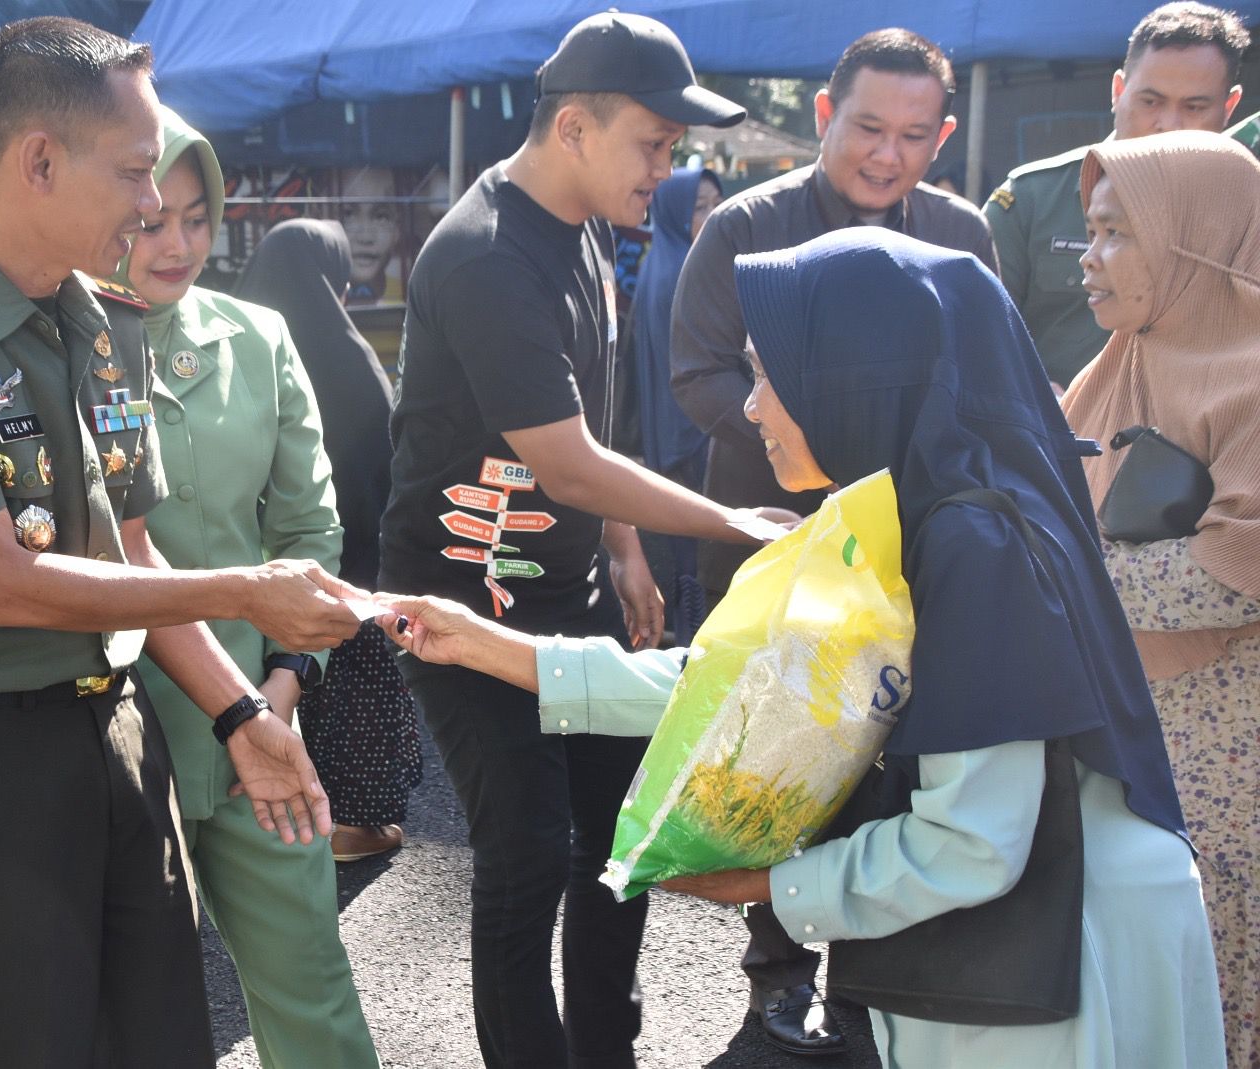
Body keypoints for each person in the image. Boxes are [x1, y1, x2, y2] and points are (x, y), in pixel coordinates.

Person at [382, 227, 1225, 1069]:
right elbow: (753, 682)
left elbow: (971, 842)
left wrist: (764, 885)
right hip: (1029, 954)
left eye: (766, 372)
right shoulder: (912, 506)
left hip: (1070, 964)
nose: (751, 407)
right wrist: (492, 648)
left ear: (854, 372)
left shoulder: (971, 542)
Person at [0, 109, 381, 1069]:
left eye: (192, 214)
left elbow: (187, 542)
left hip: (181, 719)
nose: (160, 225)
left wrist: (261, 701)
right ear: (46, 166)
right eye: (142, 192)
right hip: (38, 736)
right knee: (30, 1031)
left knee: (238, 1011)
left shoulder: (170, 331)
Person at [378, 12, 790, 1067]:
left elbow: (594, 414)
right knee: (523, 853)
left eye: (673, 147)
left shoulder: (595, 225)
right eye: (653, 144)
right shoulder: (484, 256)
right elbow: (564, 461)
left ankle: (607, 1049)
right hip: (461, 605)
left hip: (572, 593)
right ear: (573, 127)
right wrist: (731, 520)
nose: (668, 169)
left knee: (620, 841)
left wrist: (624, 546)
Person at [667, 28, 995, 1054]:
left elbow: (982, 380)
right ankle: (776, 974)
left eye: (913, 136)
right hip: (771, 539)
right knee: (776, 763)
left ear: (942, 137)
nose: (887, 156)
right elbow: (698, 373)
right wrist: (823, 444)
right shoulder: (745, 227)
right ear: (823, 115)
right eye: (866, 128)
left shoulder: (960, 233)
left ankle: (875, 975)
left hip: (911, 552)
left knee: (895, 769)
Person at [1063, 130, 1260, 1069]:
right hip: (1121, 727)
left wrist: (1070, 570)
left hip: (1226, 758)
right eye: (1089, 231)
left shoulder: (1253, 379)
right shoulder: (1115, 365)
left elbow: (1231, 571)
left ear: (1192, 244)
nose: (1089, 258)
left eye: (1117, 234)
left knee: (1214, 990)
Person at [235, 218, 422, 863]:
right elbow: (383, 464)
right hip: (347, 560)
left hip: (245, 567)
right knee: (347, 690)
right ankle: (345, 825)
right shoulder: (349, 357)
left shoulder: (236, 347)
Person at [984, 2, 1248, 391]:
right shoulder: (1031, 200)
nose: (1168, 125)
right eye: (1150, 102)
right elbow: (974, 334)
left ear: (1229, 107)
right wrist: (1031, 396)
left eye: (1194, 107)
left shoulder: (1247, 212)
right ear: (1118, 91)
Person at [627, 166, 722, 642]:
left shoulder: (660, 261)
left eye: (716, 204)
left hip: (668, 429)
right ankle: (695, 638)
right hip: (692, 432)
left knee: (688, 549)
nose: (712, 216)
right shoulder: (686, 270)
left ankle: (689, 634)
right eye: (699, 207)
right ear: (674, 214)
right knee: (702, 551)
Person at [339, 166, 402, 305]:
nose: (365, 237)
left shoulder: (411, 296)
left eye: (381, 217)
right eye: (348, 214)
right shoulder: (304, 297)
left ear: (398, 229)